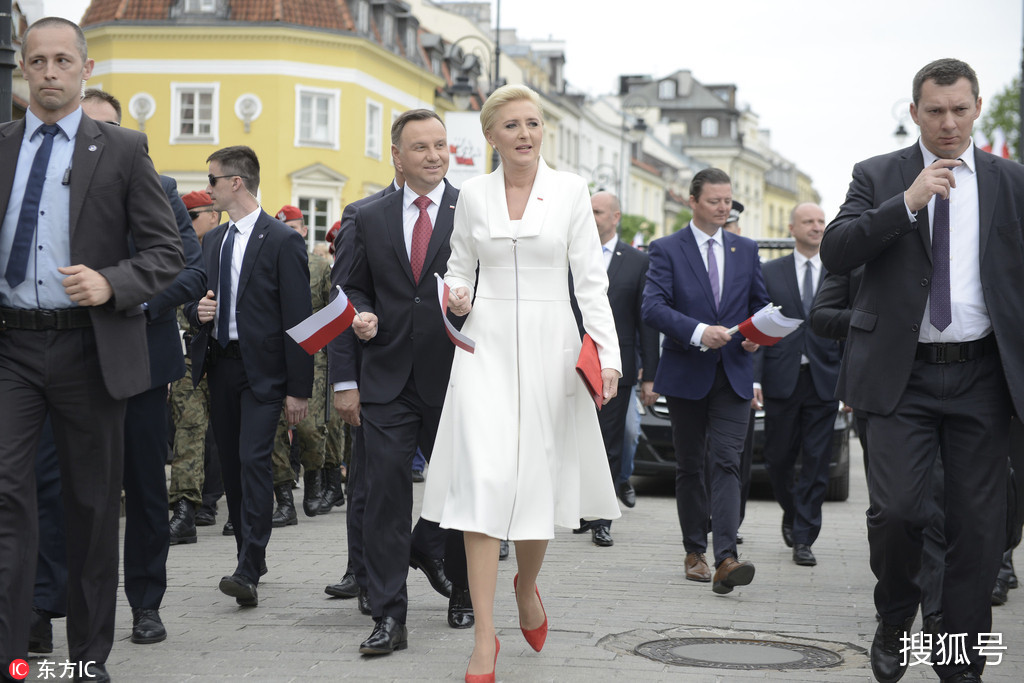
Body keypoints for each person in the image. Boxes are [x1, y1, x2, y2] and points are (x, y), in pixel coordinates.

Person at [819, 58, 1024, 683]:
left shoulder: (1011, 181)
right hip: (900, 377)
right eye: (934, 111)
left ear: (978, 108)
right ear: (914, 113)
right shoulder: (877, 174)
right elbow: (837, 247)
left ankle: (957, 654)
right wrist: (905, 203)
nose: (947, 123)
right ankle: (895, 616)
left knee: (977, 528)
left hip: (983, 375)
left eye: (959, 110)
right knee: (901, 514)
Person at [0, 17, 184, 680]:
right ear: (23, 68)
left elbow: (168, 253)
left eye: (61, 61)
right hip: (12, 349)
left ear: (86, 68)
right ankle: (11, 652)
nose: (49, 72)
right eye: (37, 61)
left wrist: (111, 281)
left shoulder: (123, 150)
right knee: (8, 497)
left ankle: (85, 658)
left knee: (90, 505)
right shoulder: (2, 146)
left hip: (89, 350)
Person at [421, 84, 622, 683]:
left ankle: (526, 585)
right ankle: (485, 638)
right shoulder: (472, 196)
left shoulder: (570, 192)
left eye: (533, 123)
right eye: (512, 125)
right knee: (483, 483)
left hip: (550, 346)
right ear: (490, 136)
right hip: (483, 347)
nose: (525, 134)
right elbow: (458, 268)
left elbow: (590, 282)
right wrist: (455, 295)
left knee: (537, 483)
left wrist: (607, 356)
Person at [342, 110, 472, 655]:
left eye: (440, 145)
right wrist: (359, 317)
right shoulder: (365, 215)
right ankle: (390, 615)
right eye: (420, 147)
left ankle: (464, 591)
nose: (434, 155)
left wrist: (470, 302)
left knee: (462, 493)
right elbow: (347, 292)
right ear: (396, 154)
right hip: (386, 379)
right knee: (385, 499)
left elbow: (495, 282)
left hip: (457, 376)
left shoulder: (473, 210)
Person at [185, 145, 313, 609]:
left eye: (213, 180)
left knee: (253, 459)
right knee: (234, 470)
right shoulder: (213, 241)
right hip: (220, 366)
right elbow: (195, 298)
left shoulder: (282, 239)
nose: (208, 189)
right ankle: (249, 557)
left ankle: (247, 566)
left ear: (235, 183)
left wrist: (300, 389)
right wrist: (196, 312)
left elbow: (300, 318)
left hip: (265, 373)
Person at [641, 168, 768, 595]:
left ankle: (726, 558)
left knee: (728, 462)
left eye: (728, 200)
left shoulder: (746, 249)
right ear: (692, 202)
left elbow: (761, 306)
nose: (723, 207)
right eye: (714, 200)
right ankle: (694, 550)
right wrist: (698, 331)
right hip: (686, 374)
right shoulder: (666, 249)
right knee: (691, 465)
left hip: (733, 373)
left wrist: (755, 338)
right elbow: (653, 307)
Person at [753, 203, 840, 568]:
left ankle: (804, 536)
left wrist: (852, 379)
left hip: (825, 378)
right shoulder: (770, 271)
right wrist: (755, 377)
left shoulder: (841, 272)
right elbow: (756, 324)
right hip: (781, 377)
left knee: (818, 461)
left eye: (821, 221)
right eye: (809, 221)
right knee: (778, 458)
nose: (816, 227)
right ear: (792, 228)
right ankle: (792, 510)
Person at [574, 190, 659, 547]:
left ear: (615, 216)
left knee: (608, 443)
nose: (591, 217)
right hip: (572, 361)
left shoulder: (637, 262)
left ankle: (602, 519)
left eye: (597, 211)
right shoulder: (570, 253)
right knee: (574, 441)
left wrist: (649, 374)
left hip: (615, 366)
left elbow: (645, 322)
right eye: (587, 211)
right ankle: (577, 509)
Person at [268, 204, 332, 524]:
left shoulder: (320, 266)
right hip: (275, 354)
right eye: (285, 229)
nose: (290, 235)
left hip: (313, 353)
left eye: (295, 229)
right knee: (275, 429)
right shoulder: (270, 260)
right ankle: (283, 498)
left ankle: (314, 482)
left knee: (309, 426)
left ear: (304, 231)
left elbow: (334, 310)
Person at [168, 190, 221, 540]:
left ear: (213, 215)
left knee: (228, 433)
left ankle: (224, 501)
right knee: (189, 429)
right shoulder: (175, 252)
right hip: (188, 354)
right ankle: (185, 507)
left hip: (226, 354)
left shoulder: (226, 248)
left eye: (193, 214)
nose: (185, 221)